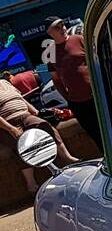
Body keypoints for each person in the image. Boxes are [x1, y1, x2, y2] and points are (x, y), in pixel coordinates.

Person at [0, 73, 74, 192]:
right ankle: (31, 184)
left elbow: (20, 98)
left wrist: (35, 112)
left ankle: (67, 157)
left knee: (45, 126)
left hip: (25, 115)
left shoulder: (5, 83)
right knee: (21, 144)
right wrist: (11, 129)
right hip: (7, 123)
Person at [45, 16, 100, 152]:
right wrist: (67, 96)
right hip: (77, 102)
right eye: (56, 27)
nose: (62, 28)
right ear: (50, 33)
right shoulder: (50, 52)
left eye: (62, 24)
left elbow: (95, 61)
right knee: (95, 133)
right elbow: (56, 79)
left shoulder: (79, 39)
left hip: (97, 94)